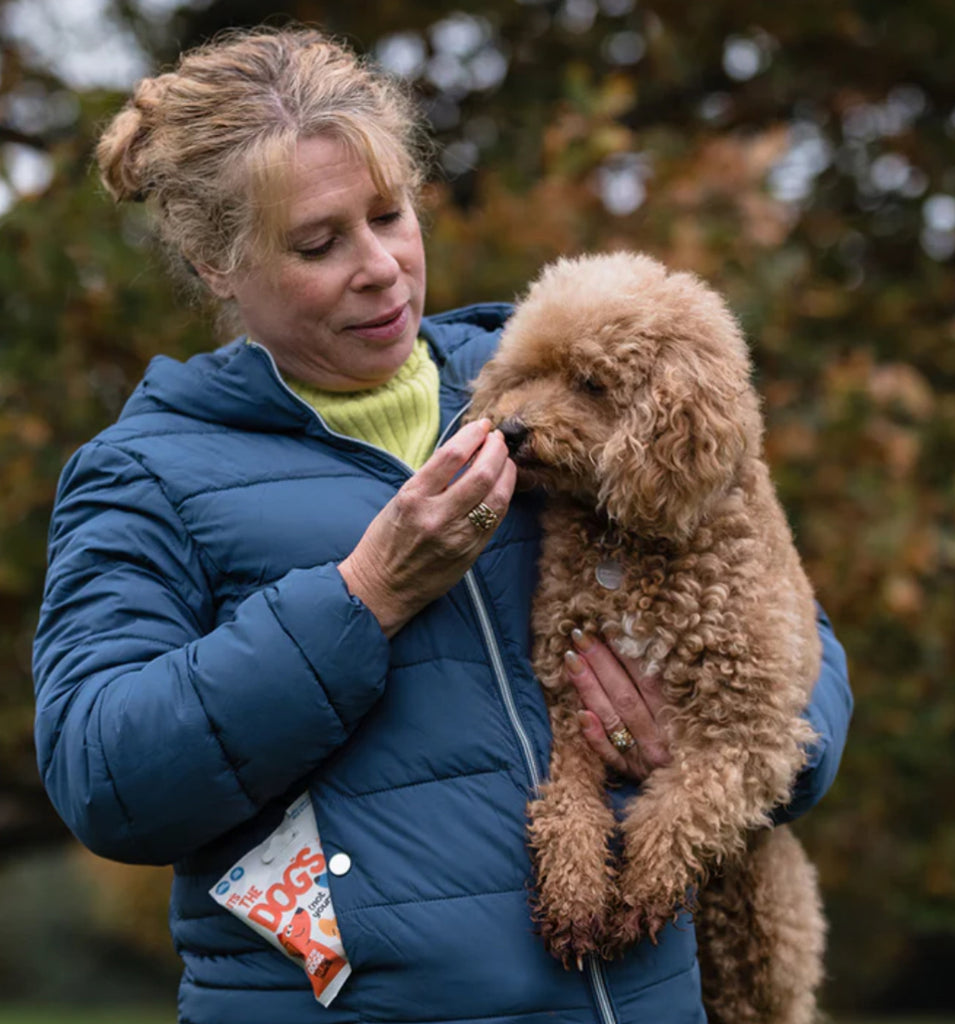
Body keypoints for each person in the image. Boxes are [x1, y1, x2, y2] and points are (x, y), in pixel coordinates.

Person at [32, 25, 852, 1024]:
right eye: (319, 243)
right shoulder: (147, 472)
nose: (379, 266)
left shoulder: (551, 391)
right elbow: (103, 776)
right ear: (217, 264)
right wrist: (362, 596)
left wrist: (738, 753)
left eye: (391, 214)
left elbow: (792, 628)